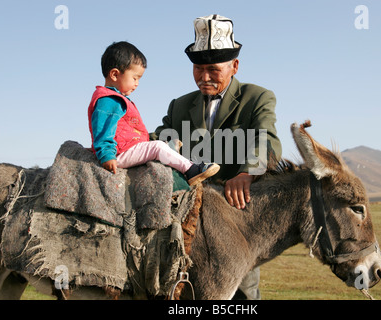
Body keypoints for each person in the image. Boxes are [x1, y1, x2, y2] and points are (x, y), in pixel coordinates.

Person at [150, 15, 282, 299]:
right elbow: (162, 135)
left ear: (234, 66)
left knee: (241, 293)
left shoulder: (257, 98)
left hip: (234, 222)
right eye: (198, 69)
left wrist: (246, 173)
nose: (204, 77)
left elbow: (266, 139)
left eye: (213, 69)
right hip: (185, 222)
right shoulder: (180, 105)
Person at [88, 41, 219, 186]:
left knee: (160, 145)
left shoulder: (115, 99)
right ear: (114, 74)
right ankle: (191, 169)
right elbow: (103, 130)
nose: (137, 83)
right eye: (135, 78)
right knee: (157, 147)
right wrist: (107, 155)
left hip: (124, 148)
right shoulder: (108, 101)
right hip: (119, 154)